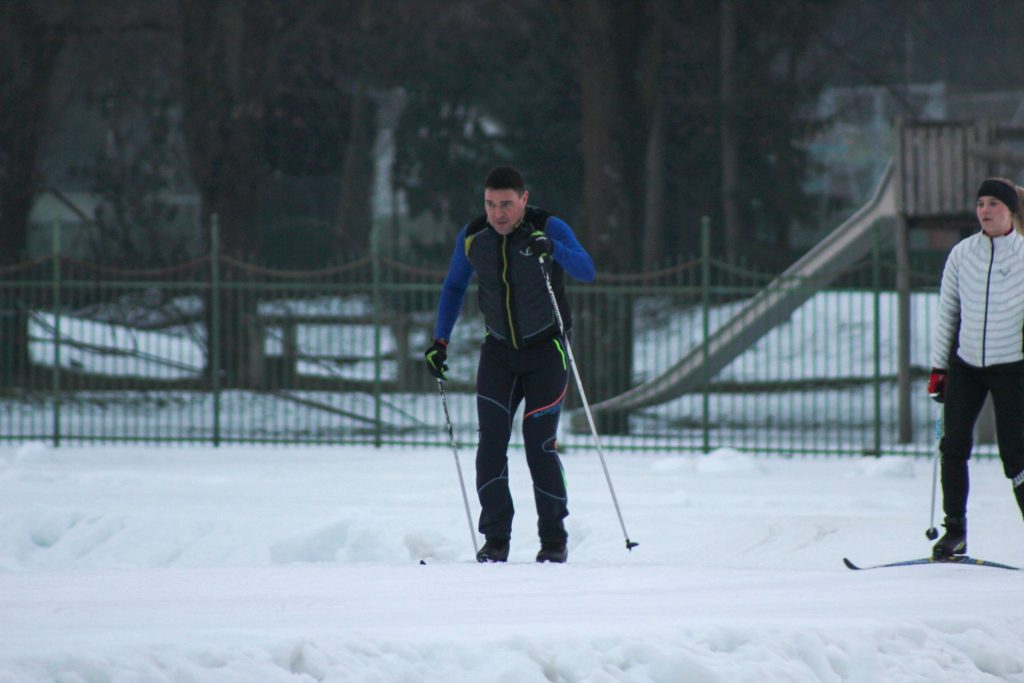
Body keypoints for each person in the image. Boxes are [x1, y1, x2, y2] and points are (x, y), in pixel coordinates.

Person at [424, 165, 595, 563]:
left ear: (523, 199)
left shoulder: (548, 227)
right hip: (499, 352)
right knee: (490, 445)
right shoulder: (474, 237)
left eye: (505, 204)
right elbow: (453, 286)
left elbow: (587, 270)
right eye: (489, 204)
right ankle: (496, 538)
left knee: (539, 445)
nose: (497, 213)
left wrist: (553, 249)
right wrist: (439, 341)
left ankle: (553, 539)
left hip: (546, 350)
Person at [928, 177, 1024, 559]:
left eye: (993, 204)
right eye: (981, 203)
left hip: (1012, 367)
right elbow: (947, 313)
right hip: (966, 365)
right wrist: (939, 367)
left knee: (1016, 457)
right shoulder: (962, 254)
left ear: (1010, 211)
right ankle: (955, 532)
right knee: (953, 447)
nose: (985, 210)